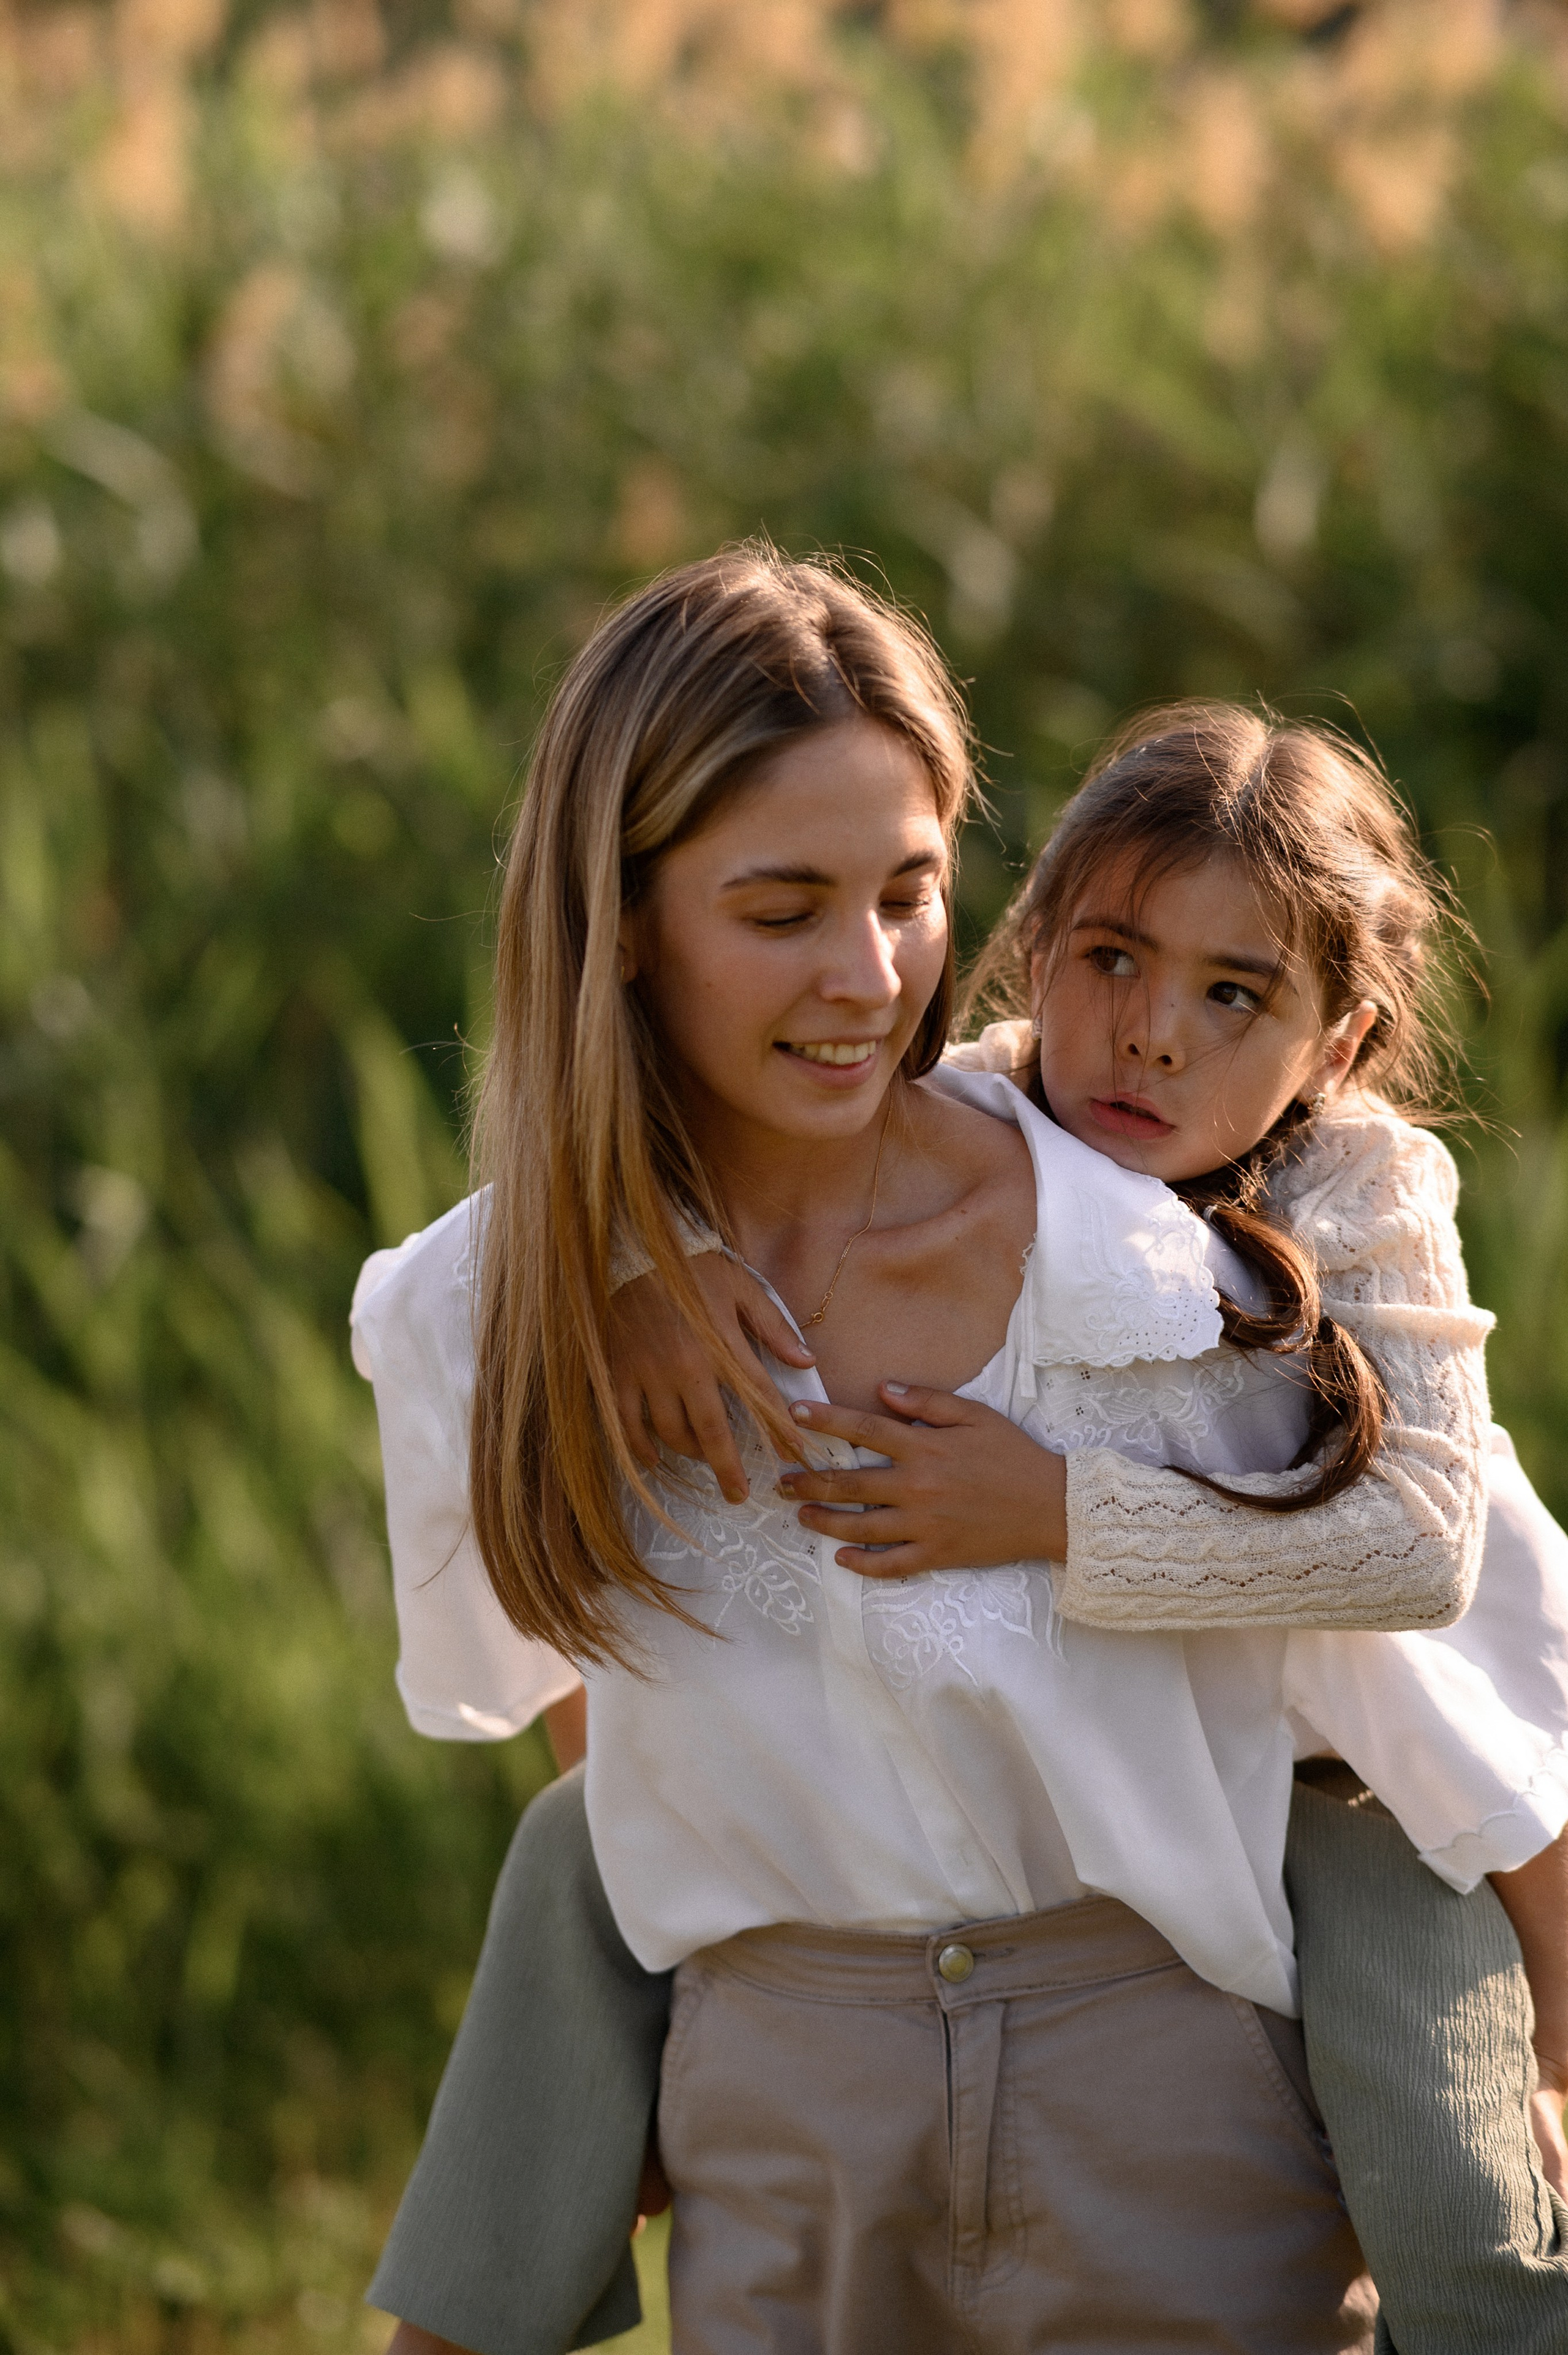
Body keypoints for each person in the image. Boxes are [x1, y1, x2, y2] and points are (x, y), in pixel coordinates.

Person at [352, 567, 1560, 2351]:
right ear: (616, 917)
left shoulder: (1200, 1288)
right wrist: (606, 1268)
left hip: (1171, 2125)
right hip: (788, 2144)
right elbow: (593, 1709)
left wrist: (1539, 2038)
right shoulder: (480, 1312)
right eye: (782, 909)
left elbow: (1473, 1672)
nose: (867, 979)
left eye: (911, 895)